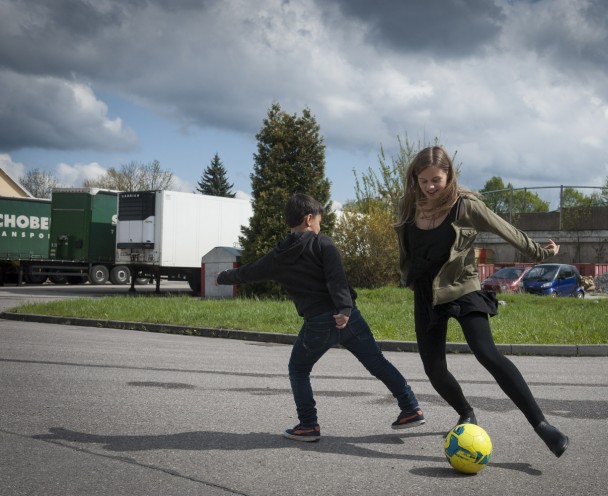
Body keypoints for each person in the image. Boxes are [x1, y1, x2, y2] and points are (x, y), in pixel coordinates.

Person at [394, 145, 569, 458]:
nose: (431, 187)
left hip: (462, 286)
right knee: (433, 369)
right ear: (415, 180)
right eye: (424, 181)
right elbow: (407, 249)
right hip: (426, 293)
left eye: (436, 179)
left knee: (487, 354)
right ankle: (465, 412)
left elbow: (506, 230)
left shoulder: (466, 205)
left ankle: (543, 426)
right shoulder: (408, 206)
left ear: (449, 175)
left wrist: (540, 254)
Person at [217, 193, 425, 442]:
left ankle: (308, 425)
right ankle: (410, 408)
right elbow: (336, 277)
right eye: (318, 221)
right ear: (308, 219)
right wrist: (345, 310)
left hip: (318, 322)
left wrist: (224, 276)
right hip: (347, 317)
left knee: (298, 369)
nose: (319, 226)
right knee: (377, 362)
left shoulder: (278, 257)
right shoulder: (323, 243)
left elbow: (250, 273)